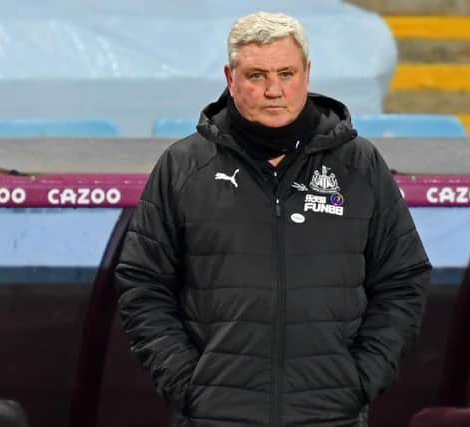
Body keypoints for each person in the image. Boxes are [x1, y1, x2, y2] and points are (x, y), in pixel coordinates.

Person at [115, 11, 431, 427]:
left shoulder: (360, 165)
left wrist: (359, 381)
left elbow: (403, 279)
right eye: (257, 75)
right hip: (214, 416)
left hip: (330, 415)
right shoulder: (183, 167)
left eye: (286, 72)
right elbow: (143, 284)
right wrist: (188, 385)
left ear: (307, 73)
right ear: (231, 78)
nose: (274, 90)